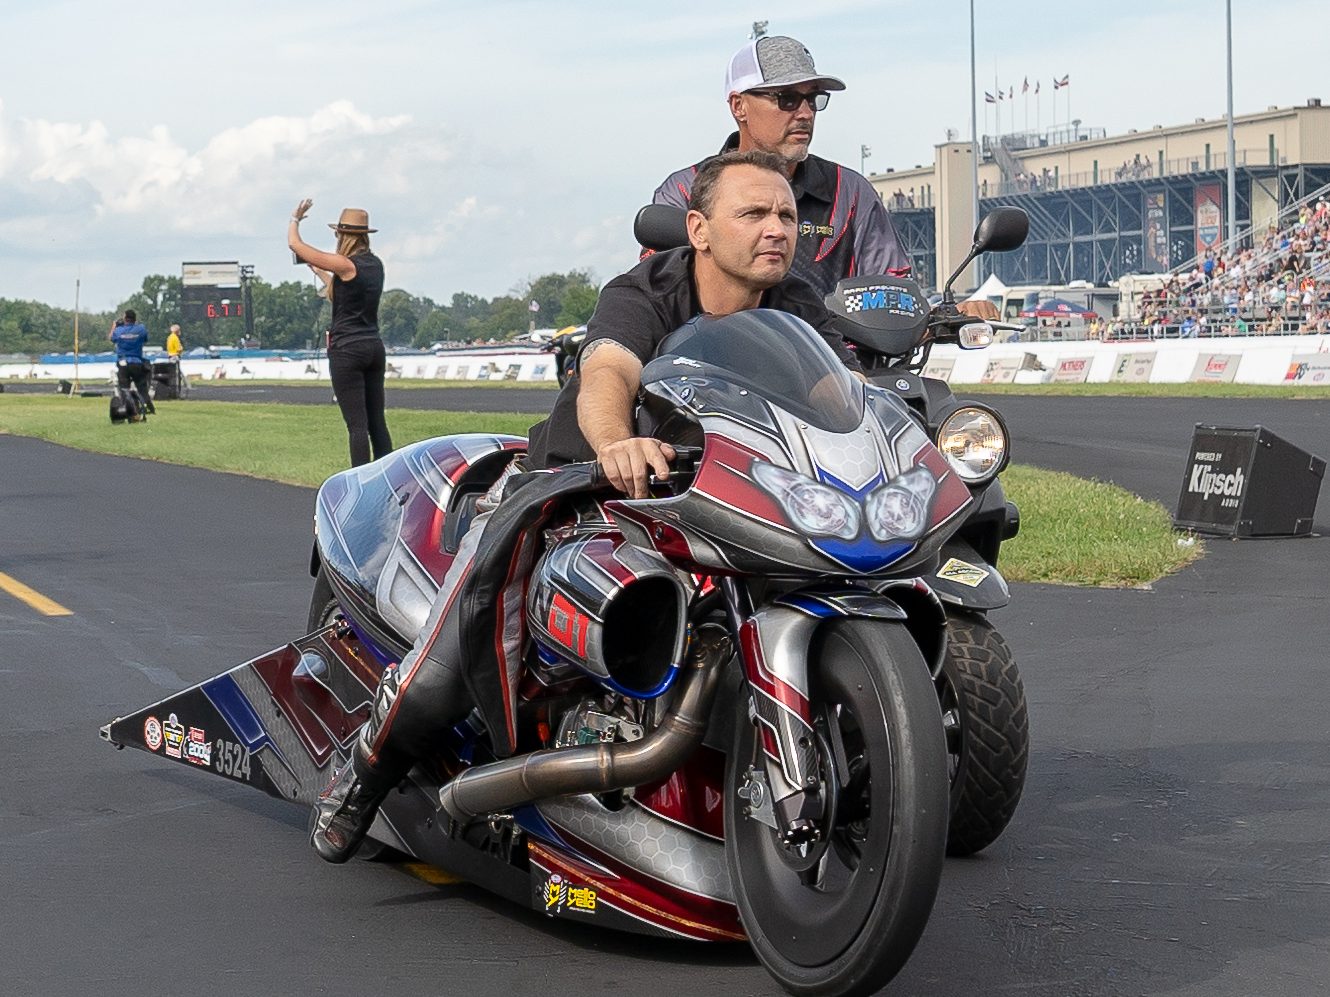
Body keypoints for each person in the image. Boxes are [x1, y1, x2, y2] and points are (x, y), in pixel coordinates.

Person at [309, 150, 866, 863]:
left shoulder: (795, 302)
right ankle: (359, 773)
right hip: (575, 484)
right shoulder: (645, 289)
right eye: (754, 213)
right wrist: (616, 442)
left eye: (787, 214)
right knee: (455, 654)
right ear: (698, 229)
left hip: (710, 493)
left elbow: (836, 392)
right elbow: (608, 371)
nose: (777, 229)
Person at [648, 35, 909, 298]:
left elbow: (892, 297)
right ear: (739, 106)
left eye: (813, 99)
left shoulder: (851, 192)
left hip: (825, 340)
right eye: (787, 99)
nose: (806, 113)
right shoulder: (685, 189)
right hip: (714, 340)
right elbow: (659, 294)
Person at [289, 200, 392, 466]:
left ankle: (360, 483)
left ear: (344, 235)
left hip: (348, 349)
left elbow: (296, 245)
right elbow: (343, 295)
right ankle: (390, 483)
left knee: (357, 425)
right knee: (377, 422)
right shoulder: (375, 265)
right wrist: (321, 272)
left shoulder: (346, 264)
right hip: (373, 346)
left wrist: (295, 220)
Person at [109, 309, 154, 414]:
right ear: (135, 319)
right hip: (137, 361)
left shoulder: (118, 331)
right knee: (142, 387)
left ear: (125, 319)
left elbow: (111, 338)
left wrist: (114, 326)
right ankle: (146, 407)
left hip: (123, 362)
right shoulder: (141, 329)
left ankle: (127, 408)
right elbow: (145, 338)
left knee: (124, 388)